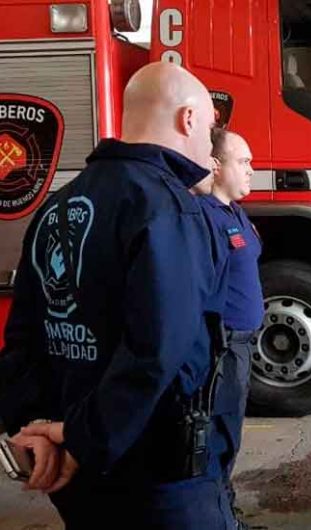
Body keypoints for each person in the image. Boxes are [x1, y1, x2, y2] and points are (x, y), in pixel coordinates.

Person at [3, 62, 238, 529]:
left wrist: (38, 431)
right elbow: (159, 351)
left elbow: (25, 334)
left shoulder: (59, 204)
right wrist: (87, 438)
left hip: (73, 473)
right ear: (187, 119)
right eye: (210, 128)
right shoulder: (170, 208)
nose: (208, 146)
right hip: (159, 480)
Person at [199, 128, 265, 529]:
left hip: (240, 346)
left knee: (229, 438)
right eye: (243, 162)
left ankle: (226, 516)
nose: (252, 170)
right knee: (217, 439)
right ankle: (218, 521)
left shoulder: (235, 211)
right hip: (220, 350)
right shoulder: (203, 216)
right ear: (215, 165)